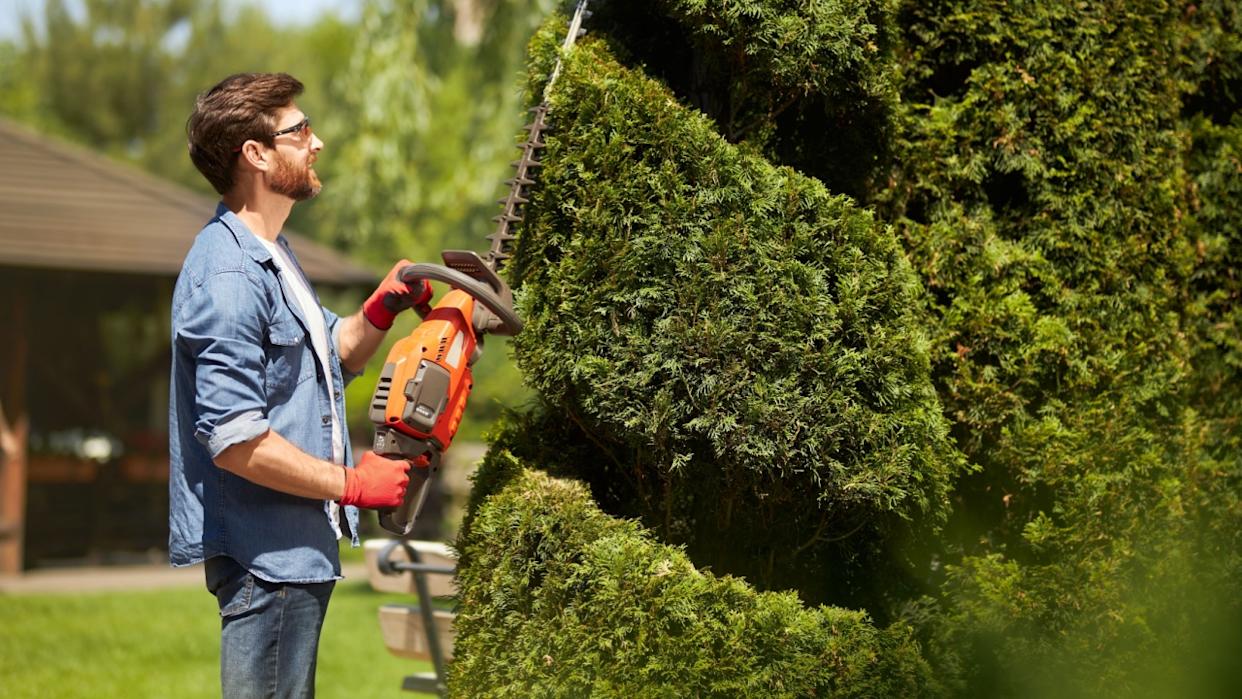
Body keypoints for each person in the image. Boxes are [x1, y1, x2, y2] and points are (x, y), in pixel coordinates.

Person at [169, 72, 428, 698]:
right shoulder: (231, 274)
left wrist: (379, 310)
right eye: (300, 129)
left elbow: (325, 357)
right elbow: (236, 442)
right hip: (267, 560)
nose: (318, 142)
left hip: (290, 556)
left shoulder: (271, 252)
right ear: (255, 155)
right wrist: (352, 484)